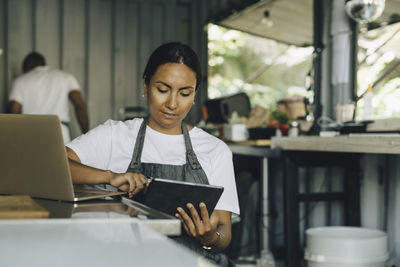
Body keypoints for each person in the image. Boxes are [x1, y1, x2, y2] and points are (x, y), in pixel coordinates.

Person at [65, 42, 240, 259]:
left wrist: (210, 238)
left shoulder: (215, 150)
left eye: (184, 93)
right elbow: (53, 165)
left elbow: (224, 232)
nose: (172, 103)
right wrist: (109, 177)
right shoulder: (114, 136)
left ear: (195, 94)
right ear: (145, 86)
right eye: (162, 90)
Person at [7, 52, 89, 143]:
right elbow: (80, 107)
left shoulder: (20, 81)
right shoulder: (66, 78)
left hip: (30, 133)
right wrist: (87, 136)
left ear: (26, 66)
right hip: (59, 132)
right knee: (59, 157)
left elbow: (12, 112)